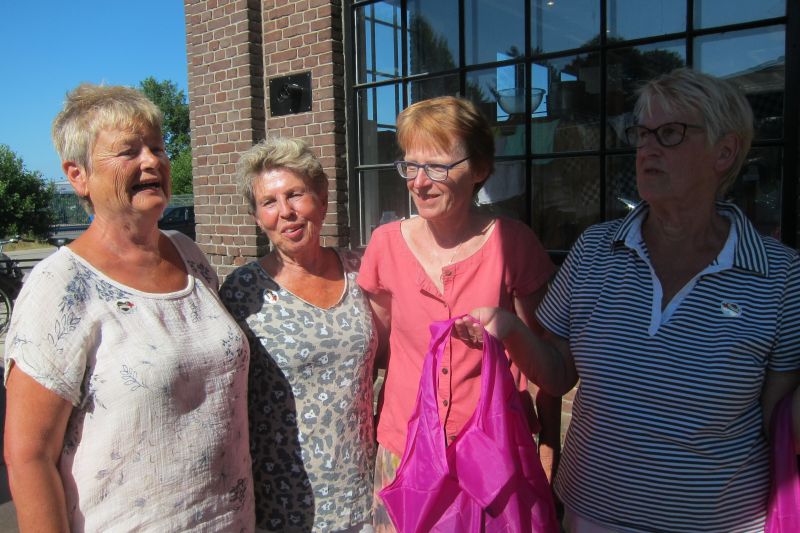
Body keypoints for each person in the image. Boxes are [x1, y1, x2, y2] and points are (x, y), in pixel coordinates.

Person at [456, 68, 800, 532]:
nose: (647, 148)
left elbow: (778, 424)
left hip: (721, 522)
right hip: (592, 515)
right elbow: (558, 375)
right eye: (641, 133)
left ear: (725, 151)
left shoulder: (779, 275)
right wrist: (510, 330)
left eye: (670, 133)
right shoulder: (596, 250)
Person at [3, 84, 254, 531]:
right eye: (128, 151)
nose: (152, 161)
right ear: (78, 175)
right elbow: (29, 455)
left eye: (158, 147)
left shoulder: (189, 255)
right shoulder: (60, 286)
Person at [357, 95, 558, 530]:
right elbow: (374, 354)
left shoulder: (514, 245)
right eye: (410, 165)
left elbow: (550, 367)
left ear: (480, 169)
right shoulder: (385, 245)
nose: (419, 182)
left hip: (490, 460)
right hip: (405, 453)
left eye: (437, 167)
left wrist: (549, 443)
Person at [219, 137, 377, 532]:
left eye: (295, 194)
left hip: (362, 491)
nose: (286, 212)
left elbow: (391, 357)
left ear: (322, 200)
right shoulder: (242, 292)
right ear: (257, 217)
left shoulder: (361, 271)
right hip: (283, 506)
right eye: (269, 202)